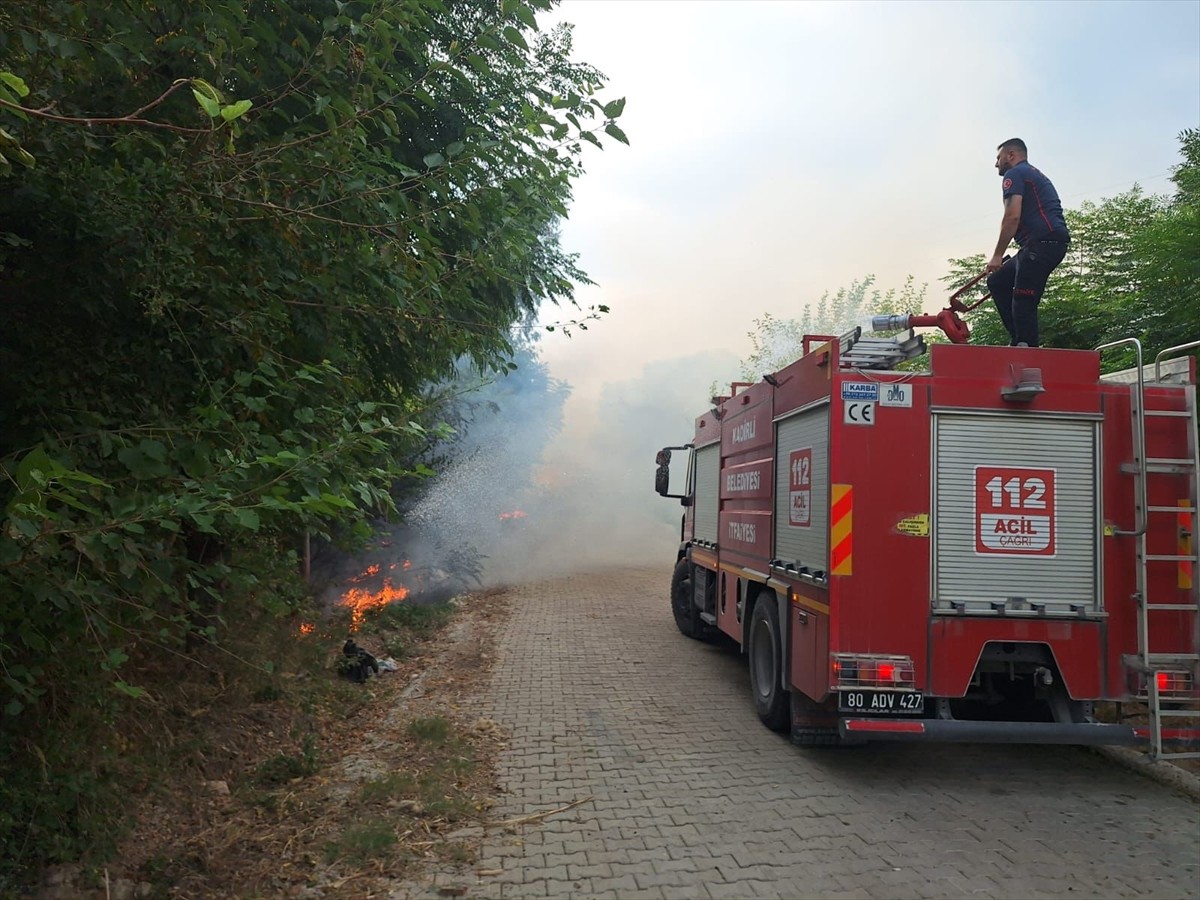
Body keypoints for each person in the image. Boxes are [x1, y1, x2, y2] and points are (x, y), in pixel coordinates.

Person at [985, 138, 1070, 347]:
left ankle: (1027, 347)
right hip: (1042, 245)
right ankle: (1018, 340)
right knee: (998, 281)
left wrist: (997, 255)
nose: (996, 163)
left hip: (1042, 244)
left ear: (1011, 155)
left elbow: (1012, 216)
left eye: (999, 157)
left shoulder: (1015, 174)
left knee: (1023, 300)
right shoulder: (1032, 173)